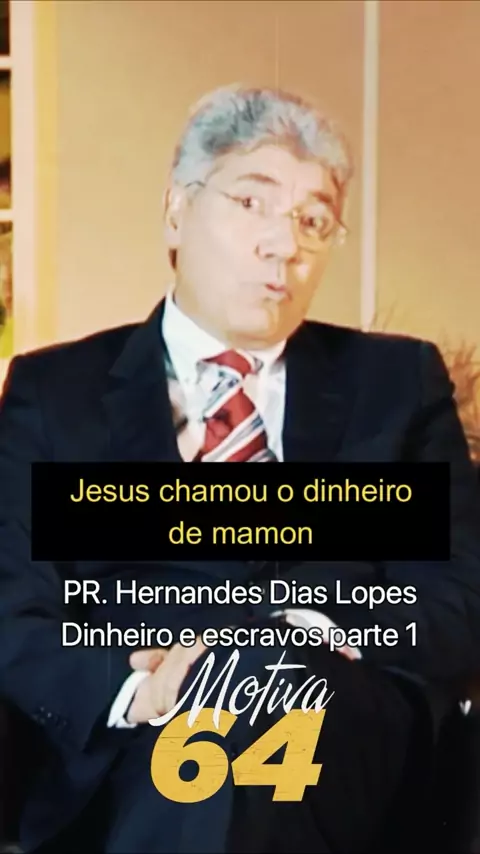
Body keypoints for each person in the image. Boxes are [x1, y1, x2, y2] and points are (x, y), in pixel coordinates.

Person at [0, 83, 480, 854]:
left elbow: (456, 594)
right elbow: (13, 600)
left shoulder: (394, 385)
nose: (285, 245)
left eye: (313, 220)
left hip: (340, 727)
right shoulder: (57, 393)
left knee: (257, 693)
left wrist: (314, 634)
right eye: (253, 203)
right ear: (176, 210)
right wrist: (134, 689)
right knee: (206, 751)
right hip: (136, 737)